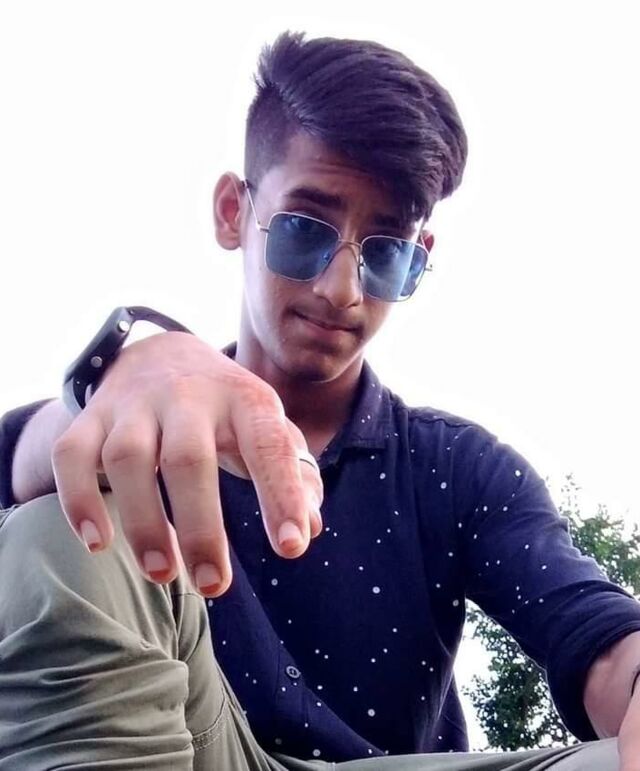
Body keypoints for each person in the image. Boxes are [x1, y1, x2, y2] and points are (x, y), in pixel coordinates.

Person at [0, 30, 639, 771]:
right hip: (193, 750)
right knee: (60, 525)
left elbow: (590, 630)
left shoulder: (456, 468)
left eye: (387, 252)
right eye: (305, 231)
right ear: (233, 212)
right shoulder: (147, 417)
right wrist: (103, 396)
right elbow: (21, 467)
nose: (341, 289)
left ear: (420, 259)